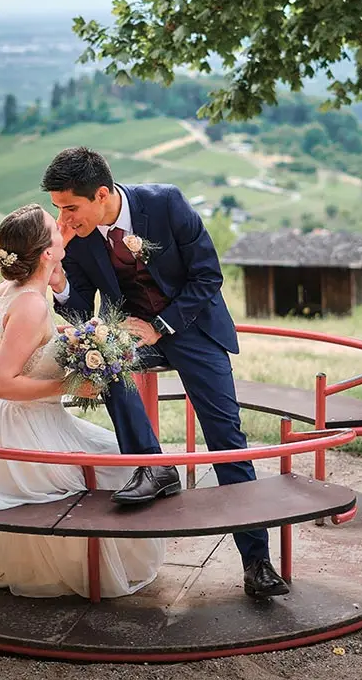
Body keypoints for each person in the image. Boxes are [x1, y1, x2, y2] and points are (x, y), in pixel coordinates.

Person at [43, 146, 290, 599]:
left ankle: (257, 562)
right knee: (102, 357)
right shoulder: (77, 238)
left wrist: (161, 325)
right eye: (58, 209)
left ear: (101, 196)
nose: (63, 220)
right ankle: (154, 466)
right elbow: (79, 308)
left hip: (192, 326)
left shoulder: (165, 203)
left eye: (70, 208)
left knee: (226, 438)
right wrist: (60, 284)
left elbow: (207, 276)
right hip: (133, 334)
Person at [0, 203, 164, 598]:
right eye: (54, 228)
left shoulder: (9, 290)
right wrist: (69, 387)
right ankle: (76, 568)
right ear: (45, 253)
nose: (62, 226)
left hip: (4, 418)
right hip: (19, 428)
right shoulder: (31, 305)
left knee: (111, 454)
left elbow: (29, 345)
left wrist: (70, 330)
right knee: (114, 470)